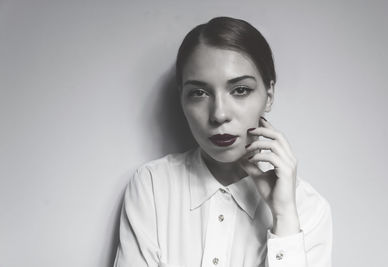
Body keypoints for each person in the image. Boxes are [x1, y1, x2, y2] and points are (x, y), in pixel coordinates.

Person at [113, 16, 332, 267]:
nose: (219, 114)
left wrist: (284, 218)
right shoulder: (153, 186)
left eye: (240, 90)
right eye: (199, 93)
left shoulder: (309, 209)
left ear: (268, 96)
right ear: (182, 100)